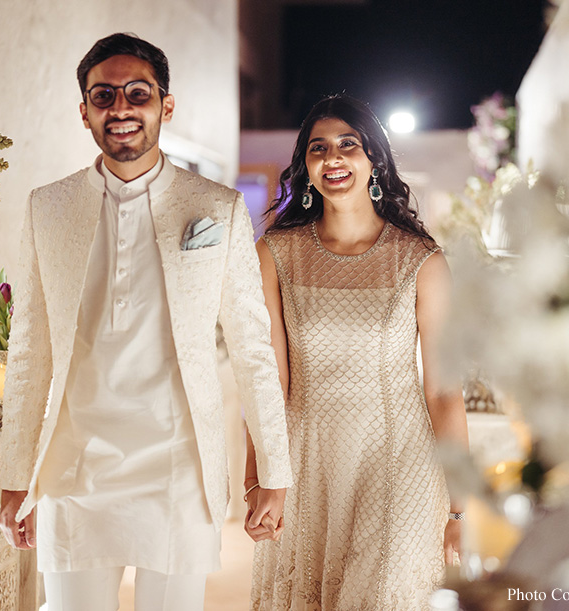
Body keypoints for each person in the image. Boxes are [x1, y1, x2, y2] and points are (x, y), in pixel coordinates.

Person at [0, 33, 292, 611]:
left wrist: (273, 471)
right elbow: (31, 351)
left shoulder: (217, 207)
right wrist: (14, 476)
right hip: (75, 468)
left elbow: (254, 349)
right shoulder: (48, 207)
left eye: (138, 93)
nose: (121, 107)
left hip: (178, 465)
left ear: (166, 104)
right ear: (84, 111)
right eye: (103, 96)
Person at [246, 94, 470, 610]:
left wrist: (462, 510)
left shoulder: (421, 261)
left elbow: (441, 391)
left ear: (375, 161)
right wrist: (259, 477)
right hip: (306, 465)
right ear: (305, 166)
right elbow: (268, 384)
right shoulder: (276, 254)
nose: (333, 159)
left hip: (398, 463)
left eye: (349, 145)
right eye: (318, 149)